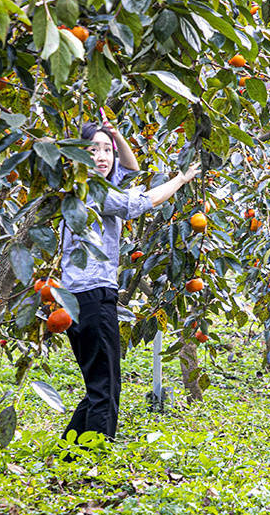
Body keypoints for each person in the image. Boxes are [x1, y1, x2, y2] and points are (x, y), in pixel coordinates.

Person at [60, 117, 199, 442]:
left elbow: (130, 172)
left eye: (106, 150)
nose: (103, 156)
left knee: (99, 381)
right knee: (106, 385)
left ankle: (68, 454)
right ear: (79, 155)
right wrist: (181, 178)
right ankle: (94, 460)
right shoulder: (92, 192)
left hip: (79, 297)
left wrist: (116, 135)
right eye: (93, 149)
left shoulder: (93, 186)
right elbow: (139, 203)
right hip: (92, 296)